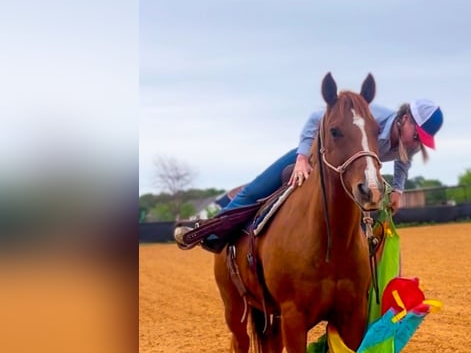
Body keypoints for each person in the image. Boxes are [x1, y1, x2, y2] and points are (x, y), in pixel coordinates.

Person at [174, 97, 444, 250]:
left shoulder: (411, 146)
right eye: (416, 135)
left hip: (349, 175)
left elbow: (403, 161)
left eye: (422, 140)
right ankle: (211, 232)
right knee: (256, 189)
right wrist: (302, 158)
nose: (417, 143)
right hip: (315, 153)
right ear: (405, 118)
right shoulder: (371, 115)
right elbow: (317, 119)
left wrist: (397, 189)